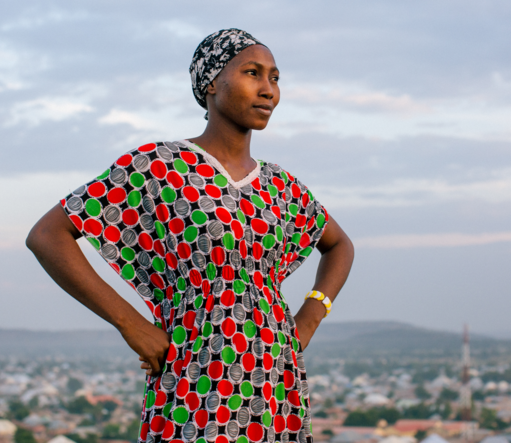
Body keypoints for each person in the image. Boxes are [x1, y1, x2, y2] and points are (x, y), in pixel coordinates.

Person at [26, 28, 354, 443]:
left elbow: (339, 245)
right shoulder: (158, 166)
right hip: (194, 376)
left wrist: (310, 315)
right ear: (211, 82)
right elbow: (47, 234)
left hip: (275, 377)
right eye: (253, 73)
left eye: (274, 78)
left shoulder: (282, 187)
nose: (268, 89)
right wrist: (130, 323)